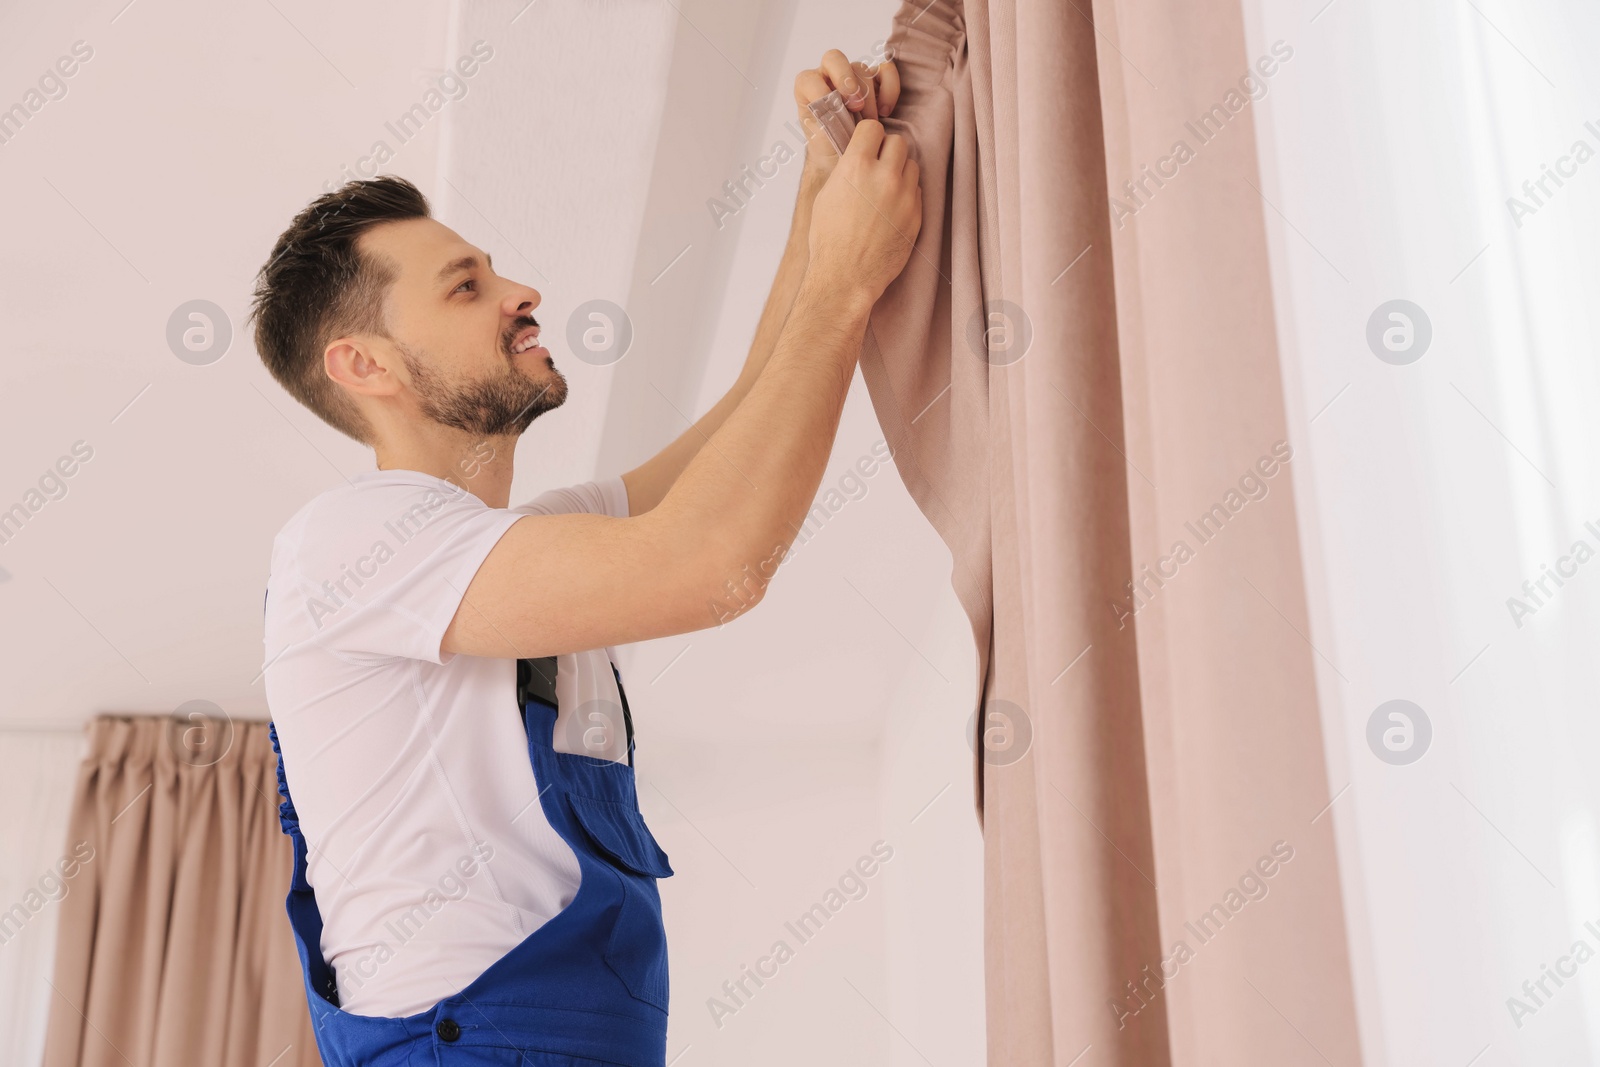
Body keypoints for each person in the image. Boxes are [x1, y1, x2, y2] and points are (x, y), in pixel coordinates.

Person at [250, 48, 920, 1067]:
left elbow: (743, 420)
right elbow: (714, 564)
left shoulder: (521, 547)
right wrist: (845, 280)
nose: (521, 290)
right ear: (364, 364)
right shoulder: (348, 545)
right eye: (466, 284)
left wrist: (819, 189)